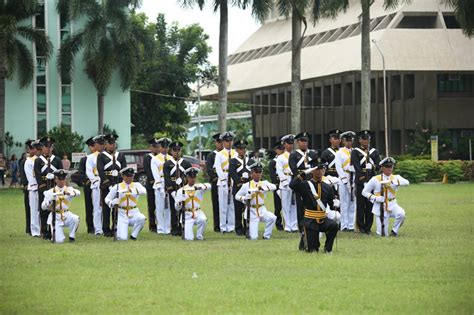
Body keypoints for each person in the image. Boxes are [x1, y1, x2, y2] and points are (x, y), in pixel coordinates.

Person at [290, 156, 339, 253]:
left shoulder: (328, 187)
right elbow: (292, 185)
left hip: (323, 219)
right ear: (312, 171)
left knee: (334, 225)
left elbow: (331, 204)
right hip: (310, 220)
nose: (319, 171)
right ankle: (305, 239)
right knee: (312, 250)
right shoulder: (305, 185)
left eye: (322, 169)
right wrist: (304, 173)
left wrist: (336, 203)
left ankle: (328, 249)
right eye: (317, 169)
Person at [362, 157, 409, 237]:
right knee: (382, 234)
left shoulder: (395, 177)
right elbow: (364, 192)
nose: (389, 169)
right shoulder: (375, 179)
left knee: (401, 214)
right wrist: (375, 198)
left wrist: (395, 182)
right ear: (382, 168)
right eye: (387, 167)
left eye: (391, 167)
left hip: (392, 203)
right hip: (380, 206)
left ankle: (394, 231)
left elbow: (407, 182)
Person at [235, 162, 277, 240]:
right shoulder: (246, 185)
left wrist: (264, 188)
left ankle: (266, 236)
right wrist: (244, 198)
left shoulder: (264, 183)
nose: (258, 174)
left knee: (272, 218)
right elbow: (237, 196)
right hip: (252, 212)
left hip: (262, 210)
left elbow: (274, 187)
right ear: (251, 173)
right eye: (256, 172)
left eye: (260, 172)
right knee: (254, 238)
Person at [105, 167, 147, 241]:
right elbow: (107, 199)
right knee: (122, 238)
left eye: (131, 176)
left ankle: (133, 236)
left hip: (134, 212)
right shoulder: (117, 187)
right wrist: (112, 203)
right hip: (122, 213)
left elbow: (144, 191)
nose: (129, 178)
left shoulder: (137, 185)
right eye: (127, 176)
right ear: (123, 176)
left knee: (142, 218)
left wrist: (131, 190)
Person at [97, 134, 127, 237]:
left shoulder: (121, 156)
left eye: (113, 143)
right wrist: (109, 185)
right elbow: (101, 171)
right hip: (106, 185)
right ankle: (106, 229)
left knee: (118, 206)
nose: (112, 145)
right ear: (106, 144)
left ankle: (116, 226)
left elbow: (124, 170)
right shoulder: (101, 156)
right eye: (110, 143)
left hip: (118, 183)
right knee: (106, 207)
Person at [351, 130, 380, 234]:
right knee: (360, 204)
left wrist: (372, 166)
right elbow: (356, 166)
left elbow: (378, 165)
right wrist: (362, 177)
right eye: (364, 139)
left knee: (370, 204)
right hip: (361, 180)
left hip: (372, 179)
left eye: (367, 139)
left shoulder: (374, 151)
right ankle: (360, 226)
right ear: (359, 140)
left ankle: (368, 227)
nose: (366, 141)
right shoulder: (355, 151)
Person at [41, 169, 81, 243]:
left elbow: (78, 193)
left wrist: (69, 193)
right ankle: (54, 234)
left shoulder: (69, 189)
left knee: (75, 219)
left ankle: (72, 236)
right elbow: (43, 207)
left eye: (63, 179)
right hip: (55, 216)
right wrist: (50, 200)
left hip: (66, 214)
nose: (62, 181)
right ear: (56, 180)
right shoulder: (50, 192)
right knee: (59, 241)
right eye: (59, 179)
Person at [34, 137, 62, 239]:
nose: (48, 149)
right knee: (44, 209)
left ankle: (54, 229)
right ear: (42, 148)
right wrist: (42, 186)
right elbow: (37, 175)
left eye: (50, 147)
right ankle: (44, 231)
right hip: (44, 188)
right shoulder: (38, 161)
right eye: (46, 146)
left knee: (55, 209)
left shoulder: (57, 160)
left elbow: (61, 173)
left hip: (55, 187)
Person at [289, 132, 318, 232]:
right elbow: (294, 170)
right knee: (301, 205)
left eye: (306, 141)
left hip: (312, 182)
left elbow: (316, 167)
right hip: (300, 183)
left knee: (313, 203)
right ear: (297, 142)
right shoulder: (293, 155)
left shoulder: (313, 154)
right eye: (302, 141)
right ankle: (302, 226)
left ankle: (313, 223)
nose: (304, 143)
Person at [174, 167, 211, 241]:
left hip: (198, 212)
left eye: (194, 177)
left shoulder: (199, 187)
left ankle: (199, 236)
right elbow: (176, 207)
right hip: (187, 214)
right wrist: (180, 203)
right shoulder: (181, 190)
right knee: (189, 238)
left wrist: (202, 186)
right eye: (191, 177)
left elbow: (209, 186)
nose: (193, 179)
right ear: (187, 178)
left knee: (203, 219)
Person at [164, 141, 191, 236]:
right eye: (175, 150)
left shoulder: (186, 163)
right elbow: (167, 179)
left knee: (184, 209)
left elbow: (190, 177)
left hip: (184, 190)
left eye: (178, 150)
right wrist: (171, 191)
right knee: (174, 209)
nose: (177, 152)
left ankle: (184, 227)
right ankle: (175, 228)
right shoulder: (167, 164)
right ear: (171, 151)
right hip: (173, 190)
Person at [213, 132, 238, 233]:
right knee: (223, 205)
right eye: (227, 141)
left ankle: (231, 226)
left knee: (232, 204)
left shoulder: (235, 153)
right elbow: (218, 168)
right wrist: (223, 180)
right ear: (223, 142)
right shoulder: (219, 154)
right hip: (223, 180)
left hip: (233, 179)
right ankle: (223, 226)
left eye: (230, 141)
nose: (229, 143)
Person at [229, 139, 254, 236]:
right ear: (236, 150)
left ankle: (247, 227)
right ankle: (238, 228)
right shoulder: (233, 161)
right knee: (238, 209)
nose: (242, 150)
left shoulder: (250, 161)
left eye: (244, 148)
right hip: (238, 187)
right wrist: (239, 181)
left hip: (248, 187)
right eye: (240, 148)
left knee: (248, 208)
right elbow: (232, 172)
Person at [276, 134, 298, 232]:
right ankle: (288, 226)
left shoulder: (296, 155)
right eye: (288, 143)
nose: (290, 145)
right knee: (286, 205)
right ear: (284, 144)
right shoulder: (280, 157)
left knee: (295, 204)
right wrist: (284, 182)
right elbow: (279, 171)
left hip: (295, 180)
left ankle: (294, 225)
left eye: (292, 143)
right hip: (286, 180)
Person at [335, 131, 356, 231]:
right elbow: (338, 167)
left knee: (353, 202)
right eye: (347, 140)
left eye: (350, 140)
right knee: (344, 202)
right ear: (343, 141)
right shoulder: (339, 152)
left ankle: (351, 225)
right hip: (344, 176)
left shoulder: (355, 151)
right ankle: (344, 225)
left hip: (353, 177)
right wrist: (344, 180)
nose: (349, 143)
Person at [151, 137, 172, 234]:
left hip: (169, 184)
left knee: (168, 208)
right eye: (163, 147)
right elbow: (155, 174)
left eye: (166, 147)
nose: (165, 149)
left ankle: (167, 228)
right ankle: (160, 228)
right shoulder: (155, 159)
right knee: (159, 207)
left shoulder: (171, 158)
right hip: (160, 184)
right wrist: (160, 186)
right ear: (160, 147)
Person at [24, 140, 43, 237]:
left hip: (42, 188)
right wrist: (37, 186)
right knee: (34, 210)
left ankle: (41, 229)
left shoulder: (41, 160)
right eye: (37, 149)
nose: (38, 151)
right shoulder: (29, 161)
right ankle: (35, 231)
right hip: (34, 188)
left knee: (42, 210)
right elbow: (30, 177)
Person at [206, 133, 223, 232]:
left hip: (227, 182)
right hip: (216, 182)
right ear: (215, 143)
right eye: (219, 142)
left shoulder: (227, 154)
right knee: (216, 204)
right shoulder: (212, 155)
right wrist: (218, 178)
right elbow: (209, 170)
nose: (221, 144)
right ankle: (217, 226)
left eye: (222, 142)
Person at [78, 137, 95, 234]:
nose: (94, 148)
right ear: (89, 147)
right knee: (89, 207)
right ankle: (90, 227)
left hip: (101, 185)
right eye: (92, 146)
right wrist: (89, 181)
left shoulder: (102, 157)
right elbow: (81, 174)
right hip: (89, 186)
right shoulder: (85, 159)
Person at [143, 137, 160, 232]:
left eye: (158, 146)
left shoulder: (161, 157)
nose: (156, 148)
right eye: (154, 146)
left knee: (160, 206)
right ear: (151, 147)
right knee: (152, 206)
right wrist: (154, 181)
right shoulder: (147, 157)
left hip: (160, 185)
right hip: (151, 185)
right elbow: (148, 171)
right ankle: (152, 225)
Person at [268, 141, 284, 231]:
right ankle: (278, 223)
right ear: (275, 150)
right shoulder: (273, 162)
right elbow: (273, 176)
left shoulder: (286, 158)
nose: (281, 150)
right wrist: (276, 185)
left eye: (282, 148)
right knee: (278, 206)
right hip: (278, 185)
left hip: (285, 184)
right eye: (279, 149)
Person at [19, 147, 30, 234]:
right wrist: (26, 184)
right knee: (28, 208)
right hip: (28, 188)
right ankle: (28, 228)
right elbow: (22, 175)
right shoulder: (24, 161)